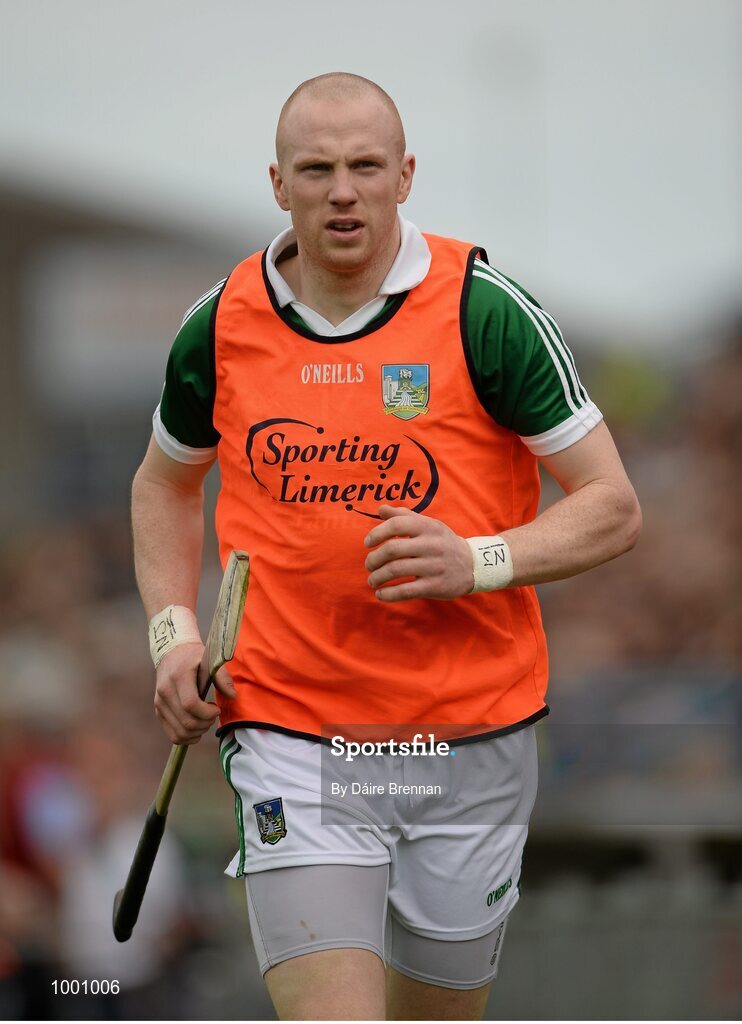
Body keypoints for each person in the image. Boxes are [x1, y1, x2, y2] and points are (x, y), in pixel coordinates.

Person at [131, 72, 641, 1020]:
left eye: (366, 166)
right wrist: (173, 636)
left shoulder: (486, 312)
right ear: (277, 184)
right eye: (315, 169)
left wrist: (477, 560)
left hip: (466, 740)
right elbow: (162, 482)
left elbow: (612, 505)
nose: (342, 191)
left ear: (406, 175)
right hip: (292, 732)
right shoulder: (222, 324)